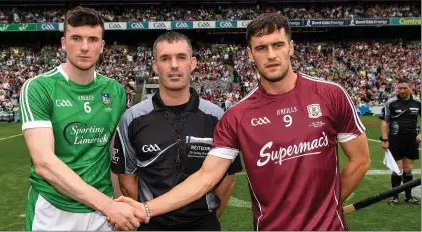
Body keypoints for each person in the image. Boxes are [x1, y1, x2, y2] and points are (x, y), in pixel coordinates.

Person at [110, 13, 371, 231]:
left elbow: (360, 160)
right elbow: (206, 178)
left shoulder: (331, 94)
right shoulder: (237, 115)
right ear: (249, 54)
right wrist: (146, 208)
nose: (271, 55)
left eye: (278, 45)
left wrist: (325, 206)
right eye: (261, 48)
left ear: (291, 47)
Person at [20, 6, 146, 231]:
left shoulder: (115, 91)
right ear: (63, 43)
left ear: (102, 46)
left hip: (102, 214)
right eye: (76, 38)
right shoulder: (39, 88)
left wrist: (117, 207)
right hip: (52, 210)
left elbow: (113, 155)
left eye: (93, 39)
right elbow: (45, 164)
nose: (85, 47)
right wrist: (110, 206)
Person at [111, 31, 242, 231]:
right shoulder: (132, 118)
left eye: (181, 57)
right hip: (151, 225)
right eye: (165, 58)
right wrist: (150, 214)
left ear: (193, 63)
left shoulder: (218, 118)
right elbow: (127, 181)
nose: (174, 65)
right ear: (155, 65)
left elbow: (227, 182)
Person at [380, 78, 421, 205]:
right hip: (395, 139)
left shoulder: (418, 103)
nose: (402, 90)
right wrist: (385, 140)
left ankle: (409, 197)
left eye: (405, 88)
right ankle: (395, 196)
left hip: (411, 139)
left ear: (410, 88)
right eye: (400, 88)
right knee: (397, 168)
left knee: (408, 168)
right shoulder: (391, 103)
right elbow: (384, 122)